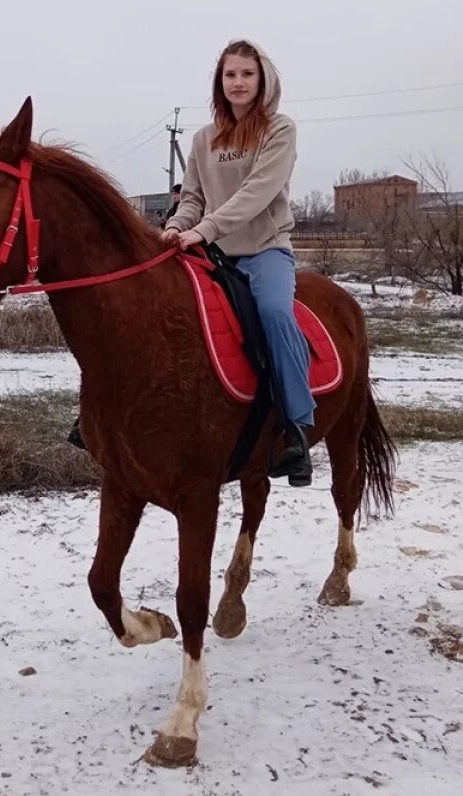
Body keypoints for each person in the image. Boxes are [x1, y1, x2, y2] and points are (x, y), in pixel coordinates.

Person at [159, 38, 314, 486]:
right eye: (230, 74)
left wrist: (202, 230)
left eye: (247, 73)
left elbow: (257, 194)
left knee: (273, 313)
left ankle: (296, 428)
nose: (238, 82)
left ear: (262, 79)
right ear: (220, 82)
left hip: (265, 250)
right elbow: (192, 199)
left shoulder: (279, 130)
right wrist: (176, 226)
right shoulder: (203, 139)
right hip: (214, 253)